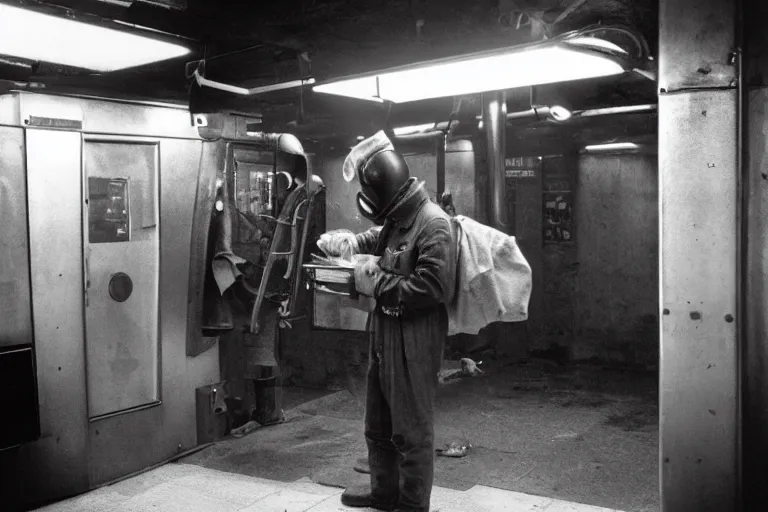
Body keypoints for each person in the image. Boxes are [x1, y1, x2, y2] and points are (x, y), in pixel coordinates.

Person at [322, 131, 456, 512]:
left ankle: (412, 503)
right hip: (384, 332)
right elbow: (378, 237)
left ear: (394, 195)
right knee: (377, 424)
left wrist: (375, 279)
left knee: (413, 431)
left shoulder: (433, 224)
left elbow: (431, 287)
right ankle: (384, 492)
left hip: (414, 340)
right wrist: (349, 242)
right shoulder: (398, 219)